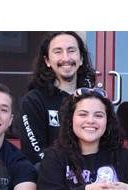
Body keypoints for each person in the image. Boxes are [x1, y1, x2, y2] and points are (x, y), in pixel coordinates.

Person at [20, 31, 97, 164]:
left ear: (81, 59)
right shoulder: (34, 101)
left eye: (71, 50)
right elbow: (35, 154)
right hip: (51, 179)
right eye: (58, 52)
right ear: (47, 61)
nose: (66, 58)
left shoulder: (93, 100)